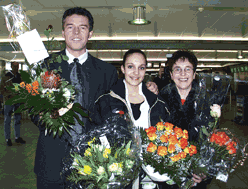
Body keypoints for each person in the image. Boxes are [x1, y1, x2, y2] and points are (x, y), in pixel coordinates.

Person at [31, 7, 158, 189]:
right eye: (70, 27)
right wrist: (51, 115)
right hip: (51, 162)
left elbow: (123, 100)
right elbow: (34, 109)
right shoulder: (46, 66)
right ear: (62, 31)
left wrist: (147, 87)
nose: (76, 32)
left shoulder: (106, 72)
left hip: (94, 164)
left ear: (90, 33)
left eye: (82, 27)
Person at [94, 49, 170, 189]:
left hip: (151, 179)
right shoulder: (106, 101)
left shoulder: (157, 103)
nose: (136, 73)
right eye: (130, 67)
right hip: (118, 177)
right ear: (122, 69)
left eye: (141, 68)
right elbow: (96, 137)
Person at [159, 50, 222, 189]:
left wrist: (205, 171)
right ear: (171, 74)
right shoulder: (160, 100)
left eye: (187, 69)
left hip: (195, 176)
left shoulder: (207, 103)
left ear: (194, 75)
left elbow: (213, 141)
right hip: (167, 172)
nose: (182, 74)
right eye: (177, 69)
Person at [0, 62, 26, 146]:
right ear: (11, 66)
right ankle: (8, 139)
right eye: (14, 66)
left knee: (18, 119)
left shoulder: (20, 76)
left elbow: (23, 87)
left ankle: (17, 137)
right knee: (7, 120)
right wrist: (6, 96)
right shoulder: (6, 76)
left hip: (18, 100)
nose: (16, 67)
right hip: (9, 101)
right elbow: (1, 88)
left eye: (17, 66)